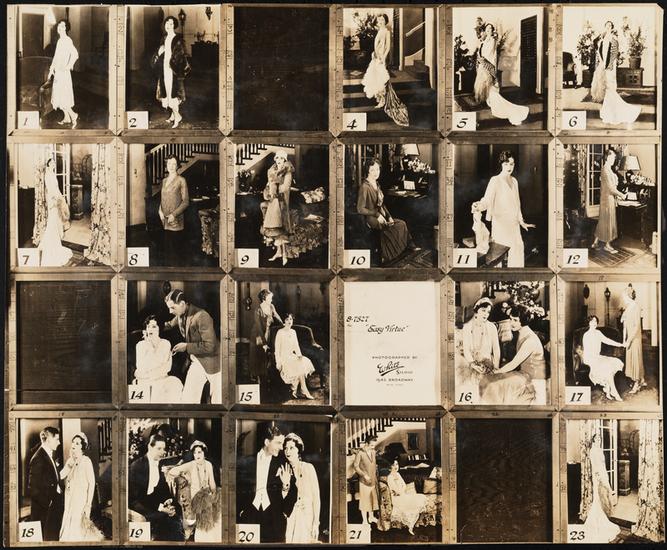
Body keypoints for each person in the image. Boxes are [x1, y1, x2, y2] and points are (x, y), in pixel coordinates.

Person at [472, 151, 534, 268]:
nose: (509, 167)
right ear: (501, 164)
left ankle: (516, 277)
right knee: (499, 256)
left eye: (511, 164)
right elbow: (487, 200)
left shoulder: (514, 181)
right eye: (506, 164)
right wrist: (478, 206)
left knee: (517, 250)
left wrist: (521, 221)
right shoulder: (495, 180)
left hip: (514, 225)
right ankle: (499, 278)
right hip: (500, 224)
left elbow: (517, 203)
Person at [237, 426, 297, 543]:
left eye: (282, 443)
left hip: (275, 518)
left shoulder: (283, 463)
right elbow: (239, 487)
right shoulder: (247, 462)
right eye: (278, 443)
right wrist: (241, 510)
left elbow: (294, 491)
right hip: (250, 515)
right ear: (266, 442)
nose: (281, 447)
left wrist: (285, 511)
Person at [164, 289, 221, 404]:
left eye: (172, 308)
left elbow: (210, 346)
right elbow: (169, 324)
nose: (170, 311)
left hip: (214, 363)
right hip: (197, 361)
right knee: (188, 400)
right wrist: (151, 326)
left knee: (218, 402)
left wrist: (186, 347)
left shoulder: (202, 316)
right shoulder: (180, 314)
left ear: (182, 304)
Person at [356, 159, 417, 265]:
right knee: (388, 227)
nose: (376, 172)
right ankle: (387, 255)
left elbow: (382, 204)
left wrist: (389, 216)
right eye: (372, 170)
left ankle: (406, 247)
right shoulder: (364, 187)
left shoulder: (377, 184)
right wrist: (377, 214)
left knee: (401, 223)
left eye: (377, 169)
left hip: (381, 215)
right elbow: (360, 209)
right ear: (367, 171)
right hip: (370, 217)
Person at [128, 434, 183, 541]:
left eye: (163, 449)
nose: (163, 452)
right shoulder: (138, 466)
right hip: (137, 502)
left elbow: (163, 487)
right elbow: (139, 496)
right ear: (150, 447)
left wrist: (168, 500)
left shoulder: (159, 463)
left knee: (177, 508)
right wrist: (162, 508)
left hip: (151, 499)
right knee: (162, 517)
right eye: (159, 448)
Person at [489, 305, 547, 404]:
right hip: (524, 374)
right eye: (511, 319)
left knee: (499, 385)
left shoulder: (530, 340)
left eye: (515, 320)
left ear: (523, 320)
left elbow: (513, 364)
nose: (511, 323)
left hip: (535, 380)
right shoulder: (521, 333)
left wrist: (496, 372)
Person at [474, 23, 529, 126]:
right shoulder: (484, 41)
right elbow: (480, 53)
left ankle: (510, 111)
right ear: (485, 31)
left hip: (488, 66)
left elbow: (490, 55)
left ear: (492, 31)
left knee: (491, 90)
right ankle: (491, 103)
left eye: (490, 29)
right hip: (483, 66)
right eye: (487, 29)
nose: (488, 30)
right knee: (487, 89)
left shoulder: (492, 41)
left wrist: (484, 63)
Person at [166, 441, 221, 542]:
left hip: (206, 495)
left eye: (199, 452)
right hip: (195, 498)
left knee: (218, 513)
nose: (197, 455)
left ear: (204, 453)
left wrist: (214, 495)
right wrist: (184, 476)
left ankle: (211, 540)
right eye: (195, 453)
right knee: (206, 513)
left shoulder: (208, 464)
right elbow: (172, 471)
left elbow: (212, 482)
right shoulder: (191, 465)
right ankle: (201, 538)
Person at [361, 13, 409, 127]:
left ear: (385, 21)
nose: (380, 22)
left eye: (382, 20)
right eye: (379, 20)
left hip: (381, 57)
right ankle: (380, 100)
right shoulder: (379, 30)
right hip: (376, 56)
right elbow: (376, 45)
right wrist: (374, 53)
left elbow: (387, 47)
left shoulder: (387, 32)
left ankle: (383, 101)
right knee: (376, 77)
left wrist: (383, 58)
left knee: (382, 78)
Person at [590, 21, 641, 125]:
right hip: (603, 65)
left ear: (612, 27)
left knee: (610, 87)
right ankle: (608, 110)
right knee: (605, 88)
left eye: (610, 25)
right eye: (607, 25)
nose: (608, 27)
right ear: (604, 26)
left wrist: (609, 66)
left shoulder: (614, 38)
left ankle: (614, 112)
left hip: (610, 67)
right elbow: (599, 51)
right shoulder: (602, 38)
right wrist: (601, 64)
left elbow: (614, 54)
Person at [59, 433, 104, 541]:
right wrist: (69, 462)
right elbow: (61, 475)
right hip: (69, 499)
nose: (74, 445)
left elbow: (92, 483)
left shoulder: (86, 461)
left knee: (79, 527)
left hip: (80, 501)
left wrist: (88, 504)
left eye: (77, 443)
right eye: (73, 442)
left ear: (82, 447)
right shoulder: (70, 461)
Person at [134, 315, 183, 403]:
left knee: (176, 383)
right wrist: (149, 345)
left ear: (159, 328)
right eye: (148, 326)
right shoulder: (140, 345)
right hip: (145, 380)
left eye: (154, 326)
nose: (150, 329)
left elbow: (167, 367)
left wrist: (149, 373)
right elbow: (141, 367)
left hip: (162, 378)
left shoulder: (165, 344)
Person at [582, 433, 621, 542]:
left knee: (603, 498)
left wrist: (605, 476)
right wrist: (598, 476)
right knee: (598, 498)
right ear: (593, 440)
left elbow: (602, 465)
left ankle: (601, 518)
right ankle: (595, 521)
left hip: (603, 474)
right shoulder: (593, 450)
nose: (598, 440)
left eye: (600, 438)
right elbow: (594, 465)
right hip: (598, 476)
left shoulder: (599, 450)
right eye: (596, 438)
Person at [283, 433, 321, 543]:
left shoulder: (309, 468)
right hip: (290, 518)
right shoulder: (283, 470)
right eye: (285, 448)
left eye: (291, 448)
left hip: (307, 517)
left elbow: (316, 498)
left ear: (298, 450)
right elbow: (282, 500)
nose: (287, 451)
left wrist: (316, 523)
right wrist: (285, 485)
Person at [152, 16, 189, 128]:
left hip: (173, 70)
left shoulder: (178, 39)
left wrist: (173, 63)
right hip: (164, 68)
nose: (168, 26)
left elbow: (181, 56)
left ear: (174, 25)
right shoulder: (164, 37)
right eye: (167, 23)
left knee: (173, 93)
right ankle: (173, 116)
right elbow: (160, 52)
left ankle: (178, 117)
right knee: (167, 92)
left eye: (171, 24)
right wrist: (159, 53)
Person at [28, 427, 64, 541]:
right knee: (47, 539)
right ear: (48, 440)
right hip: (45, 510)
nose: (59, 442)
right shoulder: (38, 458)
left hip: (53, 506)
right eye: (57, 439)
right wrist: (48, 503)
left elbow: (51, 479)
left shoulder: (48, 454)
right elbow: (33, 489)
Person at [260, 150, 293, 266]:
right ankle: (279, 252)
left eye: (281, 158)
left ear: (284, 160)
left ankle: (284, 255)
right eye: (277, 158)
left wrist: (276, 189)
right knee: (274, 227)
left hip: (282, 201)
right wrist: (269, 191)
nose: (279, 160)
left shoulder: (287, 171)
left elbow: (286, 186)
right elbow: (269, 185)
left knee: (281, 227)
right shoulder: (271, 171)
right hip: (273, 201)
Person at [459, 297, 501, 387]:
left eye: (488, 312)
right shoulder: (467, 327)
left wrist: (496, 368)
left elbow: (496, 349)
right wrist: (473, 364)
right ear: (476, 310)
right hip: (471, 364)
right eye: (483, 310)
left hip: (488, 365)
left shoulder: (492, 327)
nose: (486, 314)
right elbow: (466, 349)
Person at [38, 158, 73, 267]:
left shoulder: (53, 174)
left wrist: (61, 197)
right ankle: (51, 242)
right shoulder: (48, 175)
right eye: (51, 163)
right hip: (52, 200)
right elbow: (50, 189)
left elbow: (56, 188)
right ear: (48, 164)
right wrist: (55, 199)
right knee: (52, 220)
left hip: (56, 198)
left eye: (54, 162)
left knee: (56, 220)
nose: (53, 164)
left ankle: (55, 238)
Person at [581, 315, 624, 401]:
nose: (594, 323)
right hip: (590, 358)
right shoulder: (586, 335)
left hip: (597, 357)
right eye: (592, 321)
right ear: (589, 323)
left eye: (595, 321)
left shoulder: (598, 333)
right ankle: (614, 392)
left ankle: (608, 390)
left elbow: (607, 340)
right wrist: (597, 359)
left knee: (613, 363)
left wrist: (620, 344)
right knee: (606, 366)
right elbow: (587, 351)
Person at [591, 150, 626, 254]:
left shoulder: (608, 169)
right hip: (607, 199)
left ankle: (595, 242)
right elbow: (610, 188)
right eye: (613, 157)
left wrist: (617, 195)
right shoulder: (606, 170)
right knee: (609, 221)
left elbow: (612, 186)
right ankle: (607, 245)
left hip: (608, 198)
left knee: (603, 221)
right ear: (608, 157)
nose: (614, 159)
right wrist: (621, 195)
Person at [274, 314, 315, 400]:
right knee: (298, 367)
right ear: (284, 321)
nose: (289, 321)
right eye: (287, 319)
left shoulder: (293, 332)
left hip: (291, 355)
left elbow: (296, 346)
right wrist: (278, 362)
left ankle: (295, 389)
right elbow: (277, 350)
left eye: (291, 319)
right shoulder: (280, 332)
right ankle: (303, 391)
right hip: (283, 357)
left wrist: (299, 355)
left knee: (303, 362)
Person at [159, 156, 189, 266]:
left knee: (175, 254)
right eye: (169, 163)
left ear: (177, 166)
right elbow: (163, 198)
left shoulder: (181, 180)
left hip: (176, 220)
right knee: (167, 252)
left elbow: (186, 202)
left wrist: (173, 214)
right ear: (166, 165)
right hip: (164, 220)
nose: (171, 166)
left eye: (173, 164)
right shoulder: (164, 181)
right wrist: (160, 210)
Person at [48, 19, 79, 128]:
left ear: (66, 28)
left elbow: (75, 54)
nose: (59, 28)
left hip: (63, 73)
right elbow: (56, 57)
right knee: (59, 95)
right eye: (59, 26)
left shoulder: (67, 40)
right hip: (58, 72)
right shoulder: (60, 40)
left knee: (62, 96)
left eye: (62, 26)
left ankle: (73, 115)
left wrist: (68, 66)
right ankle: (67, 118)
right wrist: (51, 69)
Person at [386, 460, 428, 535]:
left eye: (397, 464)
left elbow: (404, 485)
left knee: (421, 498)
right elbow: (395, 489)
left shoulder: (398, 474)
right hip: (396, 498)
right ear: (390, 467)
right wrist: (399, 491)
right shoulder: (390, 477)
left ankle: (413, 525)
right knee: (413, 502)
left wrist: (401, 491)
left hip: (402, 495)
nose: (396, 466)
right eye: (393, 465)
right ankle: (410, 526)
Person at [621, 286, 645, 395]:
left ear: (629, 296)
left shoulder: (636, 307)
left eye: (624, 297)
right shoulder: (628, 307)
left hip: (635, 338)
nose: (623, 299)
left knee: (636, 359)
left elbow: (636, 326)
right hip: (629, 338)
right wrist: (624, 340)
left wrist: (629, 340)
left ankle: (637, 383)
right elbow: (624, 326)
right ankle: (641, 379)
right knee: (631, 359)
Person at [353, 434, 379, 525]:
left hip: (373, 479)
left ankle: (371, 517)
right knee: (364, 501)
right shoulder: (360, 453)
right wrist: (364, 475)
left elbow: (373, 464)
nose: (373, 447)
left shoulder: (373, 452)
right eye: (371, 445)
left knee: (372, 499)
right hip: (364, 481)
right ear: (366, 443)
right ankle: (364, 520)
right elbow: (356, 466)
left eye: (374, 445)